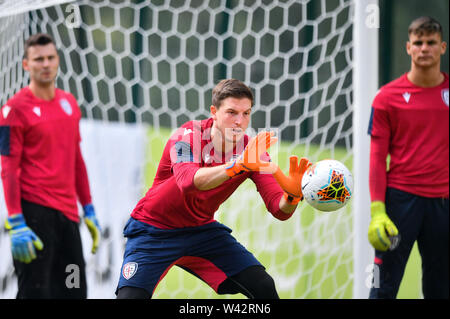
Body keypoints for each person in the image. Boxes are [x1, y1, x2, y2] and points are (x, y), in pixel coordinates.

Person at [116, 78, 311, 299]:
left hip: (201, 231)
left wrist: (292, 196)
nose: (239, 121)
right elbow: (188, 182)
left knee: (263, 286)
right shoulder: (186, 135)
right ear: (214, 111)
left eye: (246, 113)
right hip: (153, 230)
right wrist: (237, 165)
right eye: (231, 112)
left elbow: (278, 209)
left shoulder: (253, 152)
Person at [0, 33, 101, 299]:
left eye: (50, 57)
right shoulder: (12, 110)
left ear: (57, 60)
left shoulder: (69, 103)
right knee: (35, 293)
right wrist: (16, 221)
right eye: (38, 59)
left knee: (74, 290)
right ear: (26, 65)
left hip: (68, 218)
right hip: (34, 217)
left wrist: (88, 207)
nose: (45, 64)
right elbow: (8, 168)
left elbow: (76, 159)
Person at [367, 16, 448, 299]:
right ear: (408, 47)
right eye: (418, 42)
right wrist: (377, 210)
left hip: (444, 205)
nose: (424, 48)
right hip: (399, 203)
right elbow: (377, 157)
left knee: (441, 289)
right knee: (382, 287)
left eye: (430, 42)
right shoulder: (386, 97)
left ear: (442, 47)